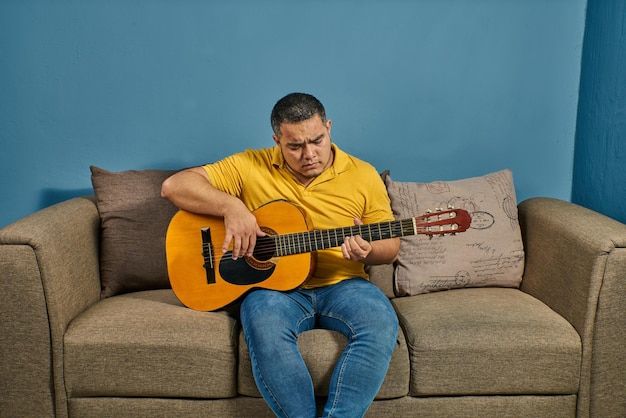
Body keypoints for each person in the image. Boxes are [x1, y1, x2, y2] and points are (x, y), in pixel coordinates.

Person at [161, 92, 400, 418]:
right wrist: (232, 206)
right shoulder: (250, 165)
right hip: (276, 291)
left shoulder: (363, 174)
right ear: (277, 140)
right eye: (295, 146)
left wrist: (368, 251)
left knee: (381, 322)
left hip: (344, 283)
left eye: (317, 140)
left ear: (329, 127)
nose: (309, 154)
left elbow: (391, 248)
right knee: (264, 325)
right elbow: (174, 186)